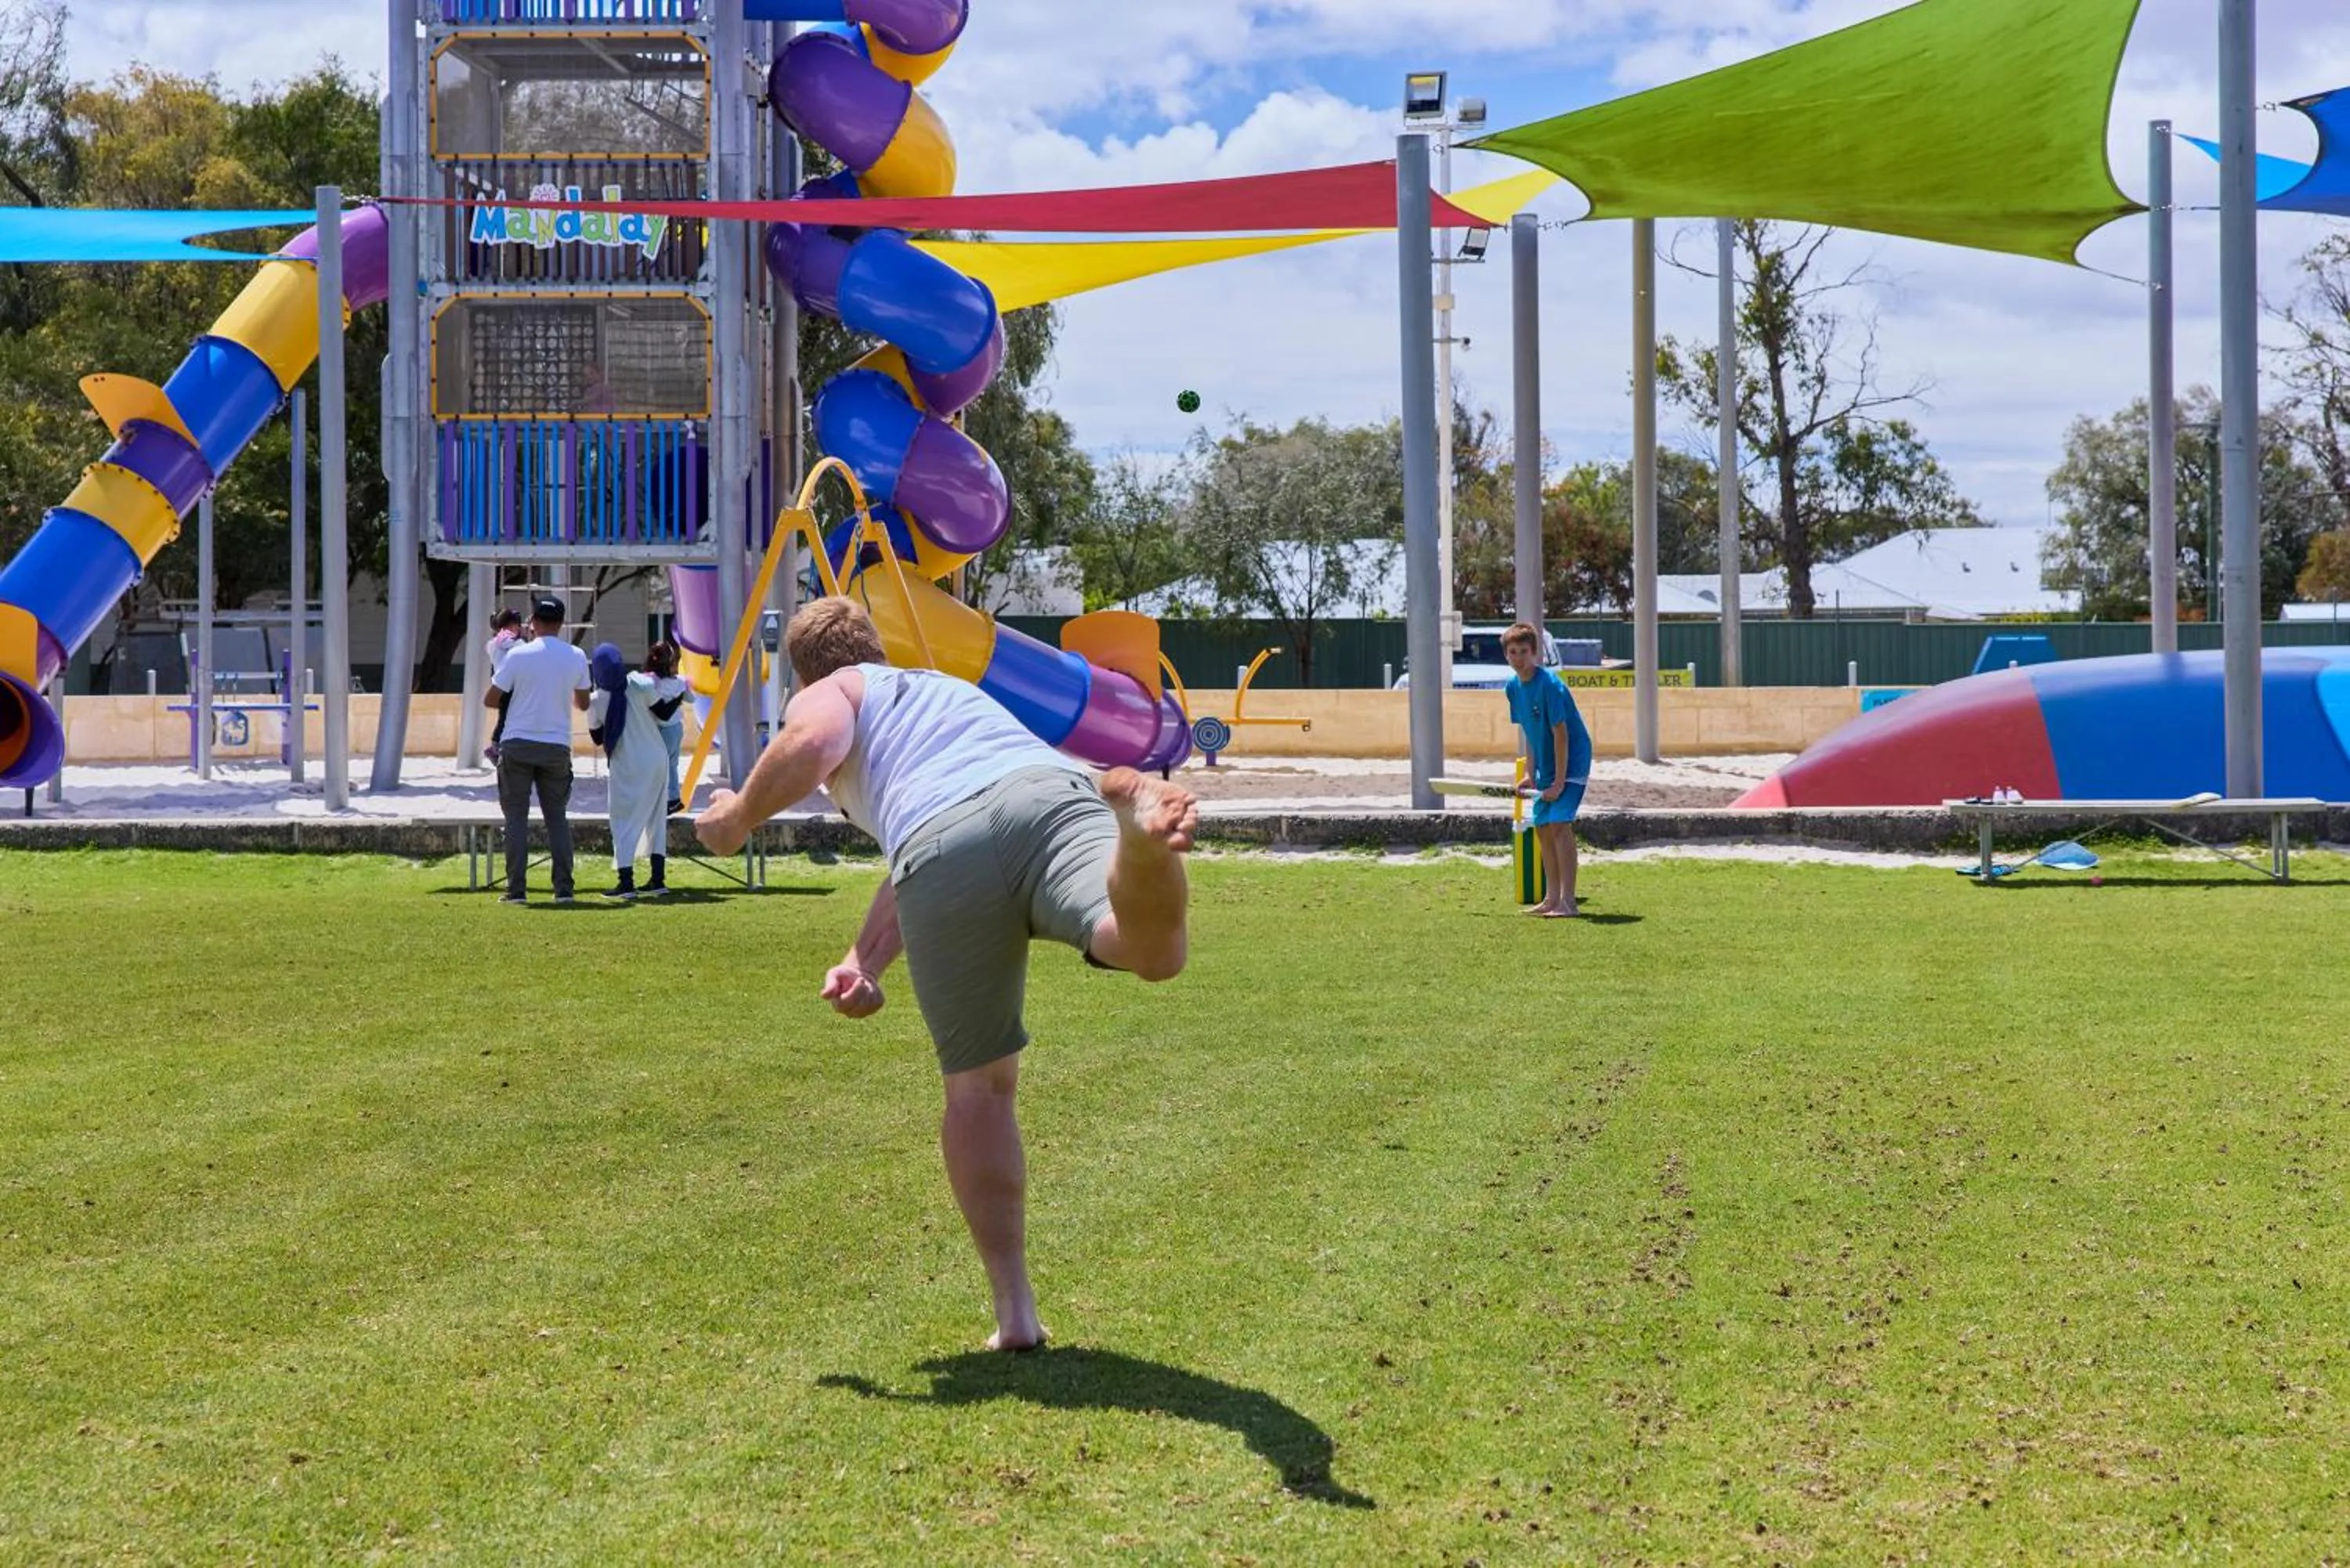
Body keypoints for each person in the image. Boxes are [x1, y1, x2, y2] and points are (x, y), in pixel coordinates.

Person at [694, 597, 1198, 1352]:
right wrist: (863, 959)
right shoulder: (942, 689)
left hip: (939, 843)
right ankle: (1140, 843)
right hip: (1050, 793)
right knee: (1149, 952)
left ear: (804, 673)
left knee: (981, 1091)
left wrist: (735, 818)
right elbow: (938, 831)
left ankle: (1016, 1313)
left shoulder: (835, 689)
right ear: (877, 646)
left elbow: (820, 743)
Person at [486, 597, 591, 904]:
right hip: (557, 745)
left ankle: (516, 890)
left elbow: (491, 699)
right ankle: (564, 889)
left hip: (517, 742)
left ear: (533, 622)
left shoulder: (518, 655)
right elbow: (583, 703)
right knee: (557, 818)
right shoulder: (576, 656)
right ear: (561, 623)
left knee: (516, 818)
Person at [1502, 622, 1593, 918]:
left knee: (1559, 825)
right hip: (1546, 765)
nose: (1518, 658)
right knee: (1541, 827)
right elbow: (1530, 732)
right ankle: (1551, 898)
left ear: (1534, 653)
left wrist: (1559, 782)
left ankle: (1569, 902)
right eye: (1512, 652)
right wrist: (1531, 773)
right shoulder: (1512, 688)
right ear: (1506, 655)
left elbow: (1561, 734)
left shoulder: (1550, 685)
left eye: (1523, 651)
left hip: (1572, 761)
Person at [588, 641, 677, 900]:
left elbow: (597, 738)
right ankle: (658, 880)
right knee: (657, 819)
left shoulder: (596, 700)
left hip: (626, 764)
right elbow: (662, 712)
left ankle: (626, 882)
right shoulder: (640, 683)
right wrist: (681, 694)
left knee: (622, 820)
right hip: (656, 758)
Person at [645, 640, 691, 814]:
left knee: (661, 764)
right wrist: (683, 690)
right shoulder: (680, 682)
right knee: (672, 764)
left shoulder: (651, 682)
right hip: (676, 728)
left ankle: (670, 798)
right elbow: (691, 699)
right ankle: (673, 798)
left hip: (661, 729)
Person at [483, 609, 525, 764]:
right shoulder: (509, 642)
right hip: (510, 685)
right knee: (507, 717)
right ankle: (495, 747)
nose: (518, 628)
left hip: (501, 684)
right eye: (516, 625)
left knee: (505, 717)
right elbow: (519, 650)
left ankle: (497, 746)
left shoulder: (493, 643)